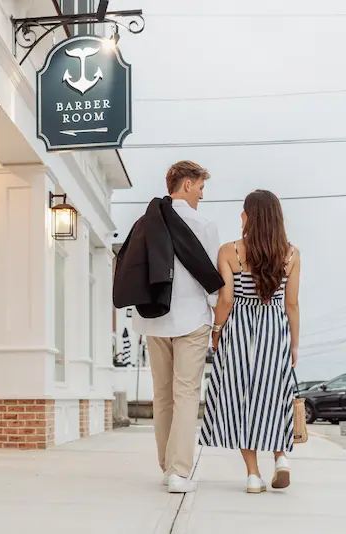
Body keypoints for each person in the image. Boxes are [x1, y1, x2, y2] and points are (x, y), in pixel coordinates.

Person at [116, 160, 222, 494]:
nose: (202, 196)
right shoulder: (204, 224)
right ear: (187, 183)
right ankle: (179, 472)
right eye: (201, 187)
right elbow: (214, 283)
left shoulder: (145, 223)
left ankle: (167, 467)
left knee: (162, 395)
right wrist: (217, 318)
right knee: (186, 393)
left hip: (153, 319)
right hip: (191, 320)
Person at [200, 190, 300, 494]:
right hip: (274, 330)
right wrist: (294, 344)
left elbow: (227, 299)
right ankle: (281, 458)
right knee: (274, 396)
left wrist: (216, 331)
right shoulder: (291, 254)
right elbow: (292, 304)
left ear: (248, 216)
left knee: (241, 400)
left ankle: (253, 475)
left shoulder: (230, 251)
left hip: (239, 331)